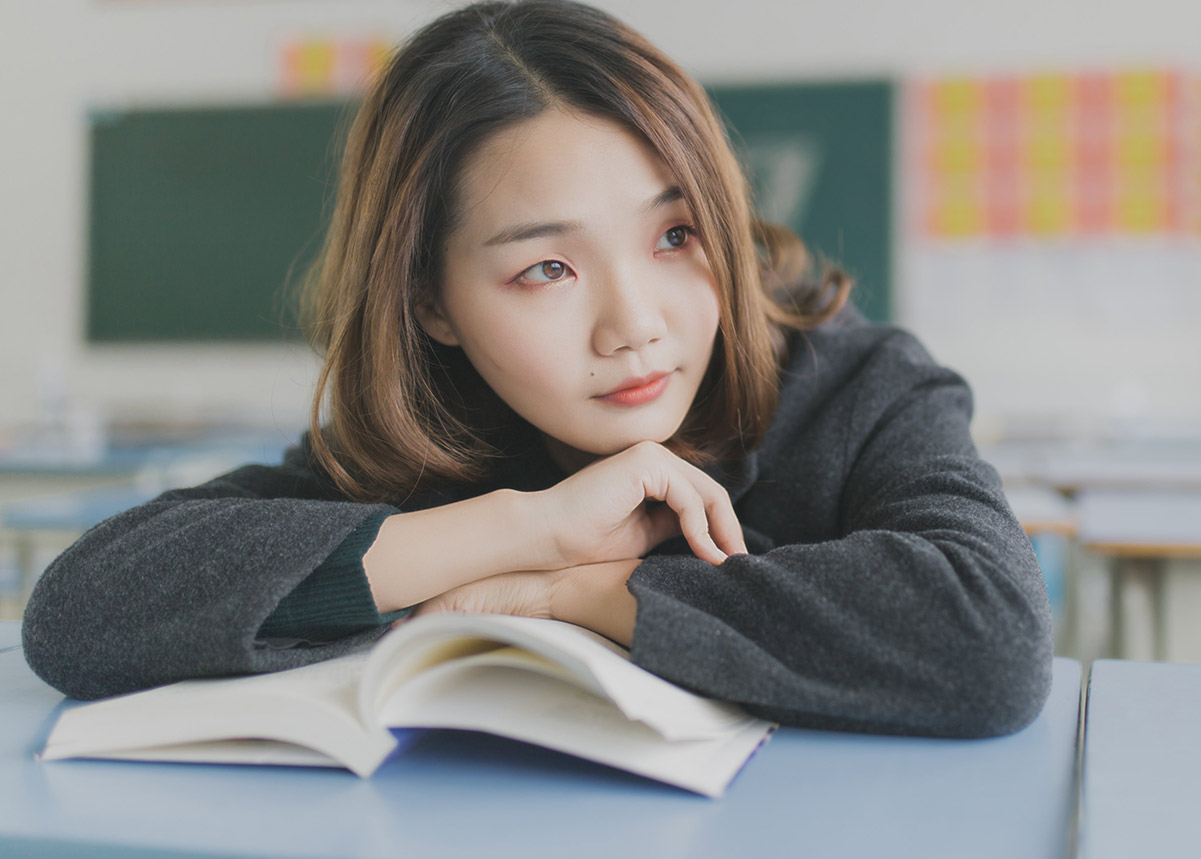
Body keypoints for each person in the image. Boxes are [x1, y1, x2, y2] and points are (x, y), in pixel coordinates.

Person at [22, 0, 1052, 737]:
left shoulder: (856, 387)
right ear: (431, 301)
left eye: (675, 233)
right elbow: (81, 613)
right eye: (548, 267)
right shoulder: (443, 435)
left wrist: (577, 591)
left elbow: (990, 639)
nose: (635, 325)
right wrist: (522, 526)